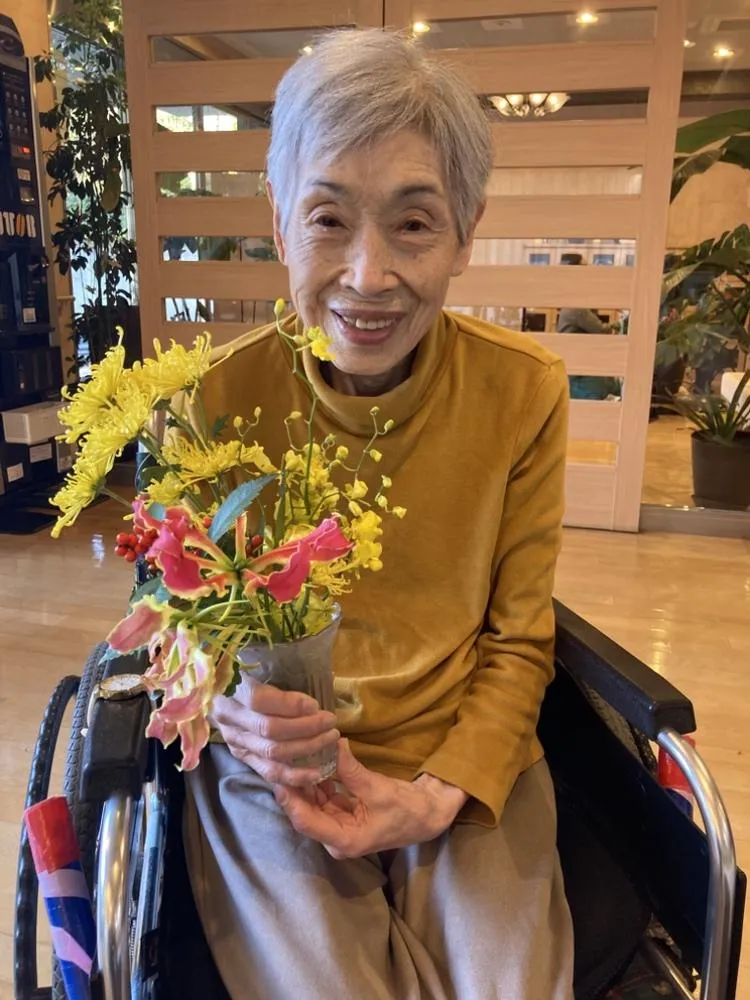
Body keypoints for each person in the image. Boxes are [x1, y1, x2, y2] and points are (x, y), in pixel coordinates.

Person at [184, 28, 574, 1000]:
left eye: (413, 224)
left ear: (466, 233)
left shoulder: (523, 392)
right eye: (329, 218)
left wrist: (437, 795)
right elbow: (184, 628)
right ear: (280, 225)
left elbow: (521, 640)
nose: (367, 275)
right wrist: (229, 704)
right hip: (277, 770)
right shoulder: (210, 402)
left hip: (463, 756)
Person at [557, 252, 621, 400]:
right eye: (585, 266)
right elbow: (601, 330)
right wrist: (619, 324)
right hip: (580, 377)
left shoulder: (571, 303)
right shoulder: (577, 307)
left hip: (577, 370)